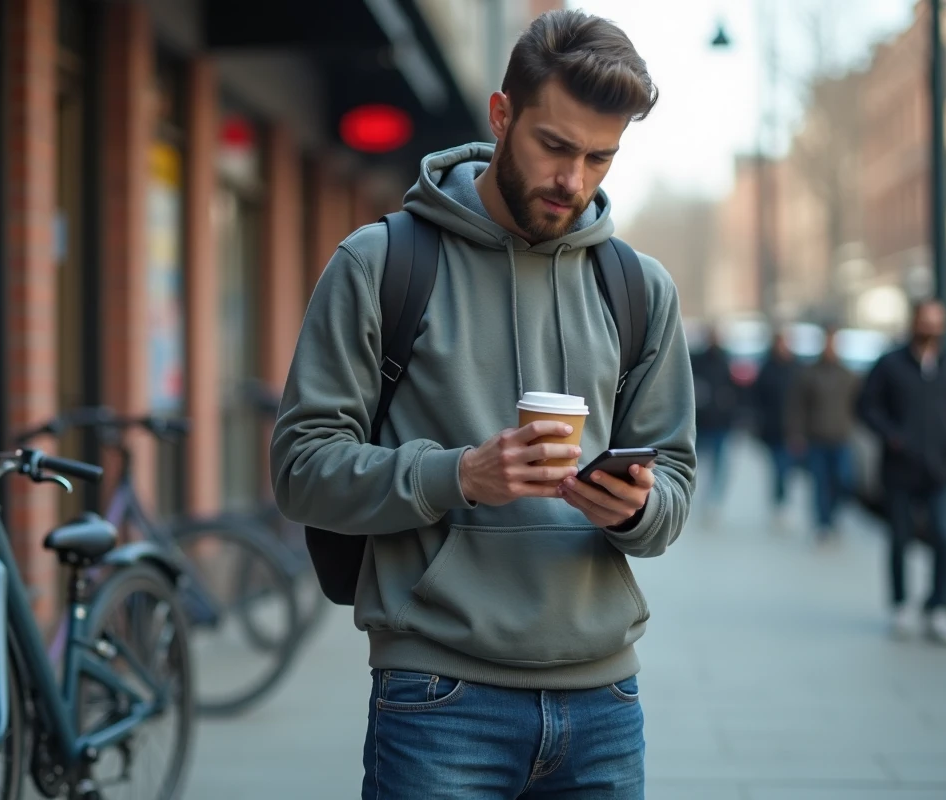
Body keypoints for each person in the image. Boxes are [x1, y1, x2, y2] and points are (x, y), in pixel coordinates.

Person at [271, 10, 696, 799]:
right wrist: (459, 475)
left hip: (605, 704)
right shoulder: (381, 263)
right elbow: (301, 471)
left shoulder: (639, 289)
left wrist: (636, 509)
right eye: (554, 146)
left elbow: (673, 485)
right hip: (438, 699)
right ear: (502, 116)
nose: (574, 180)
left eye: (600, 157)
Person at [857, 299, 946, 646]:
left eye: (937, 322)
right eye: (926, 321)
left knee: (945, 537)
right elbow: (865, 406)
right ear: (914, 323)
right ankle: (901, 605)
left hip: (939, 469)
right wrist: (893, 437)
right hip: (900, 470)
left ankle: (938, 608)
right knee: (901, 539)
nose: (932, 328)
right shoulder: (890, 364)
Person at [787, 328, 859, 541]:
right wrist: (796, 433)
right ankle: (823, 524)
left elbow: (857, 405)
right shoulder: (809, 374)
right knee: (820, 483)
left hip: (841, 438)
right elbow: (798, 406)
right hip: (817, 437)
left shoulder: (847, 375)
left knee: (843, 480)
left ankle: (833, 517)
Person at [690, 325, 738, 519]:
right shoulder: (697, 360)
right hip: (700, 423)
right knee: (693, 464)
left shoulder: (726, 360)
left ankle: (713, 501)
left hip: (720, 423)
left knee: (720, 467)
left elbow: (735, 390)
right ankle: (690, 495)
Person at [752, 331, 798, 524]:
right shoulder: (767, 368)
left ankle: (782, 503)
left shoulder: (795, 368)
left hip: (791, 430)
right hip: (772, 429)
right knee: (779, 468)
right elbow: (757, 398)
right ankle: (780, 504)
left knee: (786, 469)